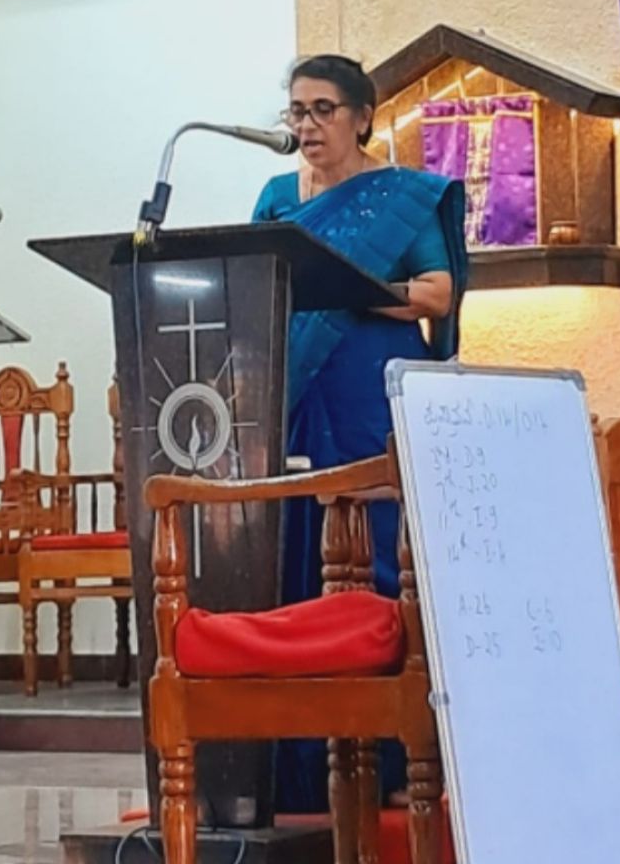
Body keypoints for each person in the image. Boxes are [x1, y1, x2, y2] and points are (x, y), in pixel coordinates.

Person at [251, 54, 468, 814]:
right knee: (296, 553)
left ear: (363, 117)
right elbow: (254, 283)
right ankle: (298, 772)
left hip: (370, 389)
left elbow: (436, 293)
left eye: (323, 109)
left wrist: (352, 290)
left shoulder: (401, 197)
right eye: (297, 111)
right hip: (293, 388)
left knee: (377, 555)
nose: (307, 125)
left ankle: (392, 761)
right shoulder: (278, 197)